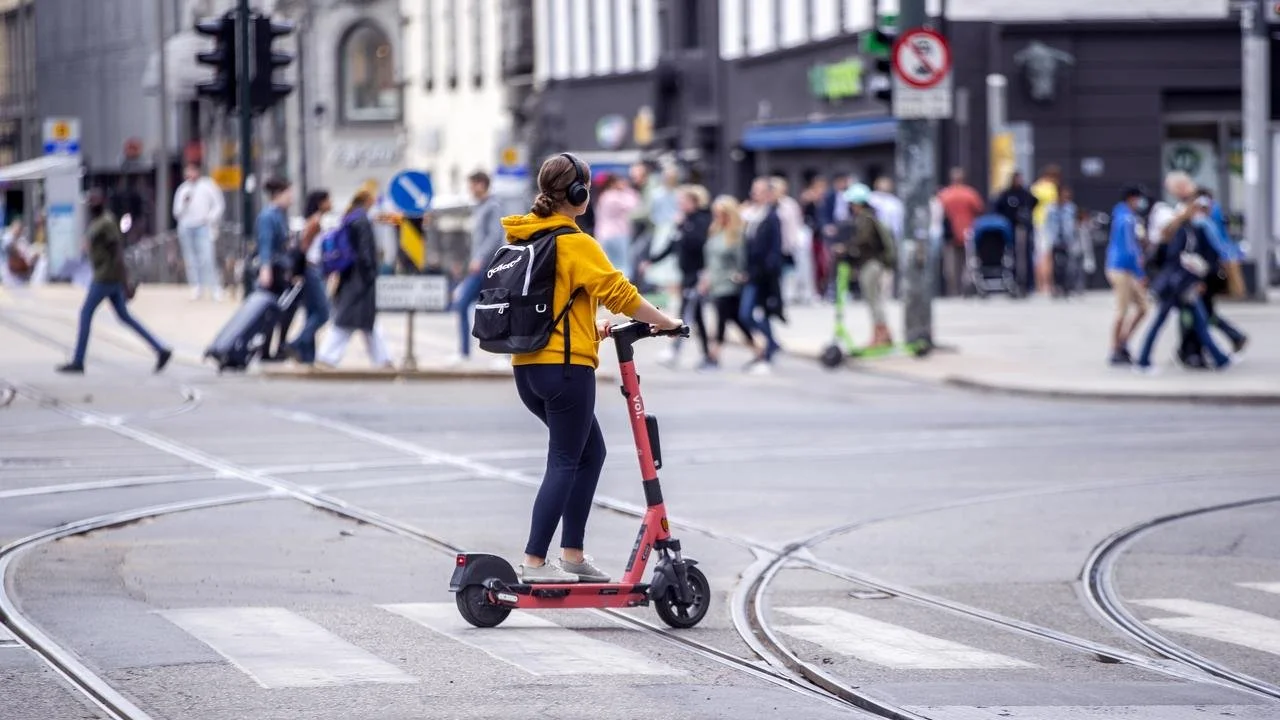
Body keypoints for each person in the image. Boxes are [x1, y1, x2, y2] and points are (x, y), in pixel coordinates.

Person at [501, 153, 682, 584]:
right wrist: (665, 320)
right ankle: (533, 562)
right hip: (565, 372)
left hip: (529, 368)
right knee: (565, 459)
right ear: (579, 194)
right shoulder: (574, 241)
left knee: (589, 453)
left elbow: (556, 304)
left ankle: (573, 554)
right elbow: (619, 292)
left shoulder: (527, 237)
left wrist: (592, 328)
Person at [57, 190, 172, 375]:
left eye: (94, 201)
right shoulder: (97, 223)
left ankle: (78, 361)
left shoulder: (106, 223)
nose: (91, 205)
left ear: (101, 203)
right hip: (109, 277)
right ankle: (160, 349)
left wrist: (125, 283)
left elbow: (118, 253)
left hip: (105, 278)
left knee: (86, 313)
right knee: (124, 316)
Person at [1134, 196, 1232, 373]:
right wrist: (1194, 268)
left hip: (1180, 285)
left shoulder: (1183, 229)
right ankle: (1142, 360)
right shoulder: (1183, 231)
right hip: (1178, 286)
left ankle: (1220, 359)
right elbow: (1175, 257)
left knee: (1197, 321)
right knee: (1165, 322)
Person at [315, 191, 394, 369]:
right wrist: (371, 273)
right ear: (367, 201)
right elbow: (365, 252)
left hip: (349, 276)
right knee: (349, 320)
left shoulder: (349, 218)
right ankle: (327, 356)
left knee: (365, 321)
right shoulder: (362, 221)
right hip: (360, 279)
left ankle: (383, 359)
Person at [644, 185, 713, 369]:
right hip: (686, 274)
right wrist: (652, 260)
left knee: (686, 313)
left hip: (697, 274)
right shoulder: (684, 221)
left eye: (683, 201)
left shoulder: (701, 220)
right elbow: (672, 245)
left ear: (694, 202)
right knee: (695, 315)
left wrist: (684, 227)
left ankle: (675, 351)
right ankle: (708, 354)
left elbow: (698, 243)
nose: (680, 205)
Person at [450, 171, 506, 367]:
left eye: (472, 185)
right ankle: (464, 352)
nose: (470, 189)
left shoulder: (493, 206)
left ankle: (505, 355)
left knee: (495, 310)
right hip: (479, 267)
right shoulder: (479, 207)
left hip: (489, 267)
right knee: (471, 306)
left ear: (482, 184)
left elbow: (494, 236)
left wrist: (479, 259)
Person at [835, 184, 895, 348]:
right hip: (870, 263)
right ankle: (882, 334)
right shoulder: (868, 217)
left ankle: (881, 335)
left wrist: (846, 248)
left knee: (873, 299)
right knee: (873, 300)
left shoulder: (866, 218)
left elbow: (863, 241)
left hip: (872, 263)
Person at [701, 195, 756, 367]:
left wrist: (738, 276)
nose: (718, 217)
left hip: (729, 283)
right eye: (716, 214)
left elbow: (741, 262)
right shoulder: (715, 231)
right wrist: (705, 279)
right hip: (715, 282)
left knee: (722, 319)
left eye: (722, 214)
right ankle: (758, 349)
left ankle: (714, 355)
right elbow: (709, 259)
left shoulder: (736, 234)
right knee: (735, 319)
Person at [279, 190, 332, 365]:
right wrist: (298, 272)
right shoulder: (314, 222)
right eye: (327, 200)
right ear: (320, 202)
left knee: (311, 313)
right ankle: (296, 343)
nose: (330, 203)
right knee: (323, 313)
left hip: (311, 270)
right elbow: (304, 248)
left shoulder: (313, 221)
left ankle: (307, 356)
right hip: (311, 270)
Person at [740, 177, 786, 373]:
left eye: (758, 190)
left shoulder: (772, 216)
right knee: (748, 314)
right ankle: (771, 344)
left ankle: (769, 348)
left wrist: (769, 270)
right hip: (752, 273)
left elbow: (775, 248)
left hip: (764, 275)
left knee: (753, 312)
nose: (754, 194)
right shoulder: (752, 215)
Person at [1104, 186, 1149, 365]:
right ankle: (1115, 348)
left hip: (1123, 268)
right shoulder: (1126, 219)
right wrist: (1140, 273)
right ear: (1132, 198)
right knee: (1122, 310)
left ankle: (1122, 343)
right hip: (1122, 269)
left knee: (1143, 307)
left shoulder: (1123, 216)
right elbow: (1130, 248)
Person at [172, 162, 226, 301]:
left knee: (207, 258)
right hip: (186, 226)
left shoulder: (208, 185)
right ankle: (196, 287)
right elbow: (176, 212)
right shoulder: (183, 189)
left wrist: (210, 218)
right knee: (191, 259)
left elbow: (219, 204)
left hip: (203, 226)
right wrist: (185, 203)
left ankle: (215, 287)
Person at [936, 168, 984, 297]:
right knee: (966, 263)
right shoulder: (970, 193)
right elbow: (979, 209)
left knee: (950, 264)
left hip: (949, 234)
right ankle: (964, 290)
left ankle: (953, 290)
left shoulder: (944, 195)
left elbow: (938, 213)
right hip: (966, 232)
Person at [992, 171, 1038, 294]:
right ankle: (1013, 281)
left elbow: (1034, 202)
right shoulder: (1006, 194)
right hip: (1010, 228)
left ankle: (1028, 283)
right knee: (1012, 256)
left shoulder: (1025, 194)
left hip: (1024, 228)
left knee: (1026, 255)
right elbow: (998, 207)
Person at [593, 174, 640, 277]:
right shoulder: (614, 196)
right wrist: (627, 189)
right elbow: (634, 203)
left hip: (603, 234)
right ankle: (622, 291)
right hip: (618, 234)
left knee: (607, 265)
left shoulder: (603, 196)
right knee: (623, 265)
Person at [1030, 164, 1062, 295]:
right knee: (1047, 256)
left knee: (1037, 255)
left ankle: (1038, 284)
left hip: (1036, 223)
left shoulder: (1035, 187)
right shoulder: (1051, 189)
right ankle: (1047, 284)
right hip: (1048, 225)